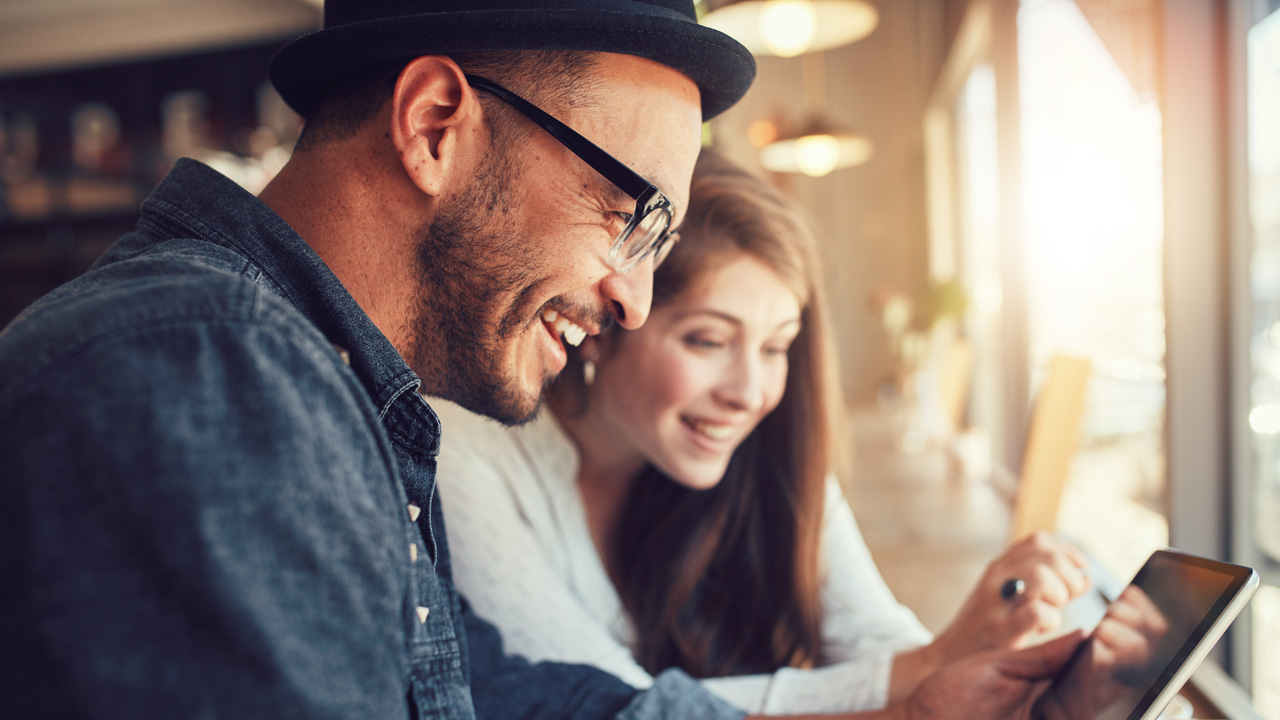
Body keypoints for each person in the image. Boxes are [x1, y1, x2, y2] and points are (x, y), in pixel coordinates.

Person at [0, 1, 1086, 718]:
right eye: (623, 215)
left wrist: (906, 710)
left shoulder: (328, 385)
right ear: (435, 125)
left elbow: (520, 694)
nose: (632, 296)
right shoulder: (205, 377)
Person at [434, 149, 1095, 714]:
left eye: (776, 347)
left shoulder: (769, 449)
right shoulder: (464, 452)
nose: (749, 393)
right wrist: (929, 669)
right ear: (612, 318)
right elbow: (625, 709)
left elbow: (876, 635)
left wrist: (991, 666)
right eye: (709, 340)